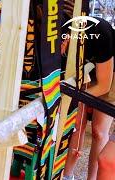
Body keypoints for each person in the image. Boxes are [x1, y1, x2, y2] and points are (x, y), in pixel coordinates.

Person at [62, 1, 115, 180]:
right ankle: (67, 176)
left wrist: (74, 98)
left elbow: (104, 85)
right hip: (84, 72)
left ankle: (92, 178)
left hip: (109, 76)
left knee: (99, 131)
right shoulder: (56, 32)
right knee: (76, 124)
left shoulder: (101, 32)